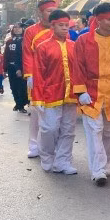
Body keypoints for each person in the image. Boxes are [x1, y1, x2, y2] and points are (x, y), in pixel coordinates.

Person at [72, 3, 110, 186]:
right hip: (91, 90)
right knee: (94, 130)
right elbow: (78, 67)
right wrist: (81, 91)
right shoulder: (83, 41)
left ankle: (106, 162)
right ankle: (97, 169)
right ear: (98, 20)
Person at [33, 10, 78, 175]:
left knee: (68, 130)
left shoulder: (74, 46)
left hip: (71, 95)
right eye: (61, 25)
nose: (65, 28)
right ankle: (47, 157)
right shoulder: (43, 47)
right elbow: (38, 74)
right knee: (49, 129)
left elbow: (80, 71)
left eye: (67, 25)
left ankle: (63, 161)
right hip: (50, 95)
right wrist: (38, 100)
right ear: (52, 26)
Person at [23, 0, 57, 159]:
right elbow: (27, 54)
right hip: (37, 77)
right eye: (49, 11)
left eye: (54, 10)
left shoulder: (61, 29)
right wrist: (30, 75)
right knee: (36, 112)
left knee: (56, 113)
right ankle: (34, 145)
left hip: (57, 77)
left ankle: (51, 145)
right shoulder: (31, 31)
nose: (52, 13)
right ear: (40, 13)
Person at [4, 24, 29, 113]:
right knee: (13, 86)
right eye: (15, 28)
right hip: (11, 67)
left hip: (22, 66)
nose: (17, 29)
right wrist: (4, 68)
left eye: (19, 27)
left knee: (22, 86)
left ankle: (22, 104)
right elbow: (6, 55)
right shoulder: (9, 41)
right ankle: (18, 103)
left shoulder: (26, 41)